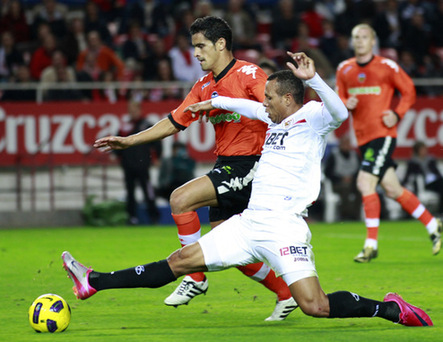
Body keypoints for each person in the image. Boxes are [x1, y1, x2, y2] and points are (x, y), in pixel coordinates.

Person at [63, 52, 433, 328]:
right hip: (250, 224)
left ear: (289, 99)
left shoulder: (314, 118)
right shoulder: (272, 119)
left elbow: (339, 112)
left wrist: (315, 79)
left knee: (314, 305)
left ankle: (390, 309)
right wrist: (215, 102)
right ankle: (93, 282)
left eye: (269, 97)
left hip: (285, 227)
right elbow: (247, 107)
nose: (264, 103)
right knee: (180, 262)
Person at [93, 16, 296, 321]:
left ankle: (196, 278)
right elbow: (174, 121)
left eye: (201, 46)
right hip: (227, 163)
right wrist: (130, 140)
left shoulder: (249, 74)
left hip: (253, 163)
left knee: (180, 198)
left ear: (221, 44)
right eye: (193, 47)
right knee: (230, 247)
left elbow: (280, 108)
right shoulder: (203, 85)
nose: (196, 53)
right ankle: (285, 293)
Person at [335, 23, 441, 263]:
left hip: (383, 134)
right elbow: (338, 93)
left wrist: (398, 113)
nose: (359, 41)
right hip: (362, 139)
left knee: (364, 182)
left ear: (373, 41)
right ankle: (432, 223)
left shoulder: (386, 66)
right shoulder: (345, 69)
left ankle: (371, 245)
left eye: (364, 36)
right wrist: (344, 101)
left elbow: (409, 90)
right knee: (393, 189)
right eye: (355, 37)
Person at [115, 100, 162, 225]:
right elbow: (117, 142)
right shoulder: (125, 127)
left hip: (143, 165)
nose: (132, 113)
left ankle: (153, 215)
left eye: (134, 110)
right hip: (128, 165)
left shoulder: (147, 125)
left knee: (147, 191)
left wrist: (157, 157)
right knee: (130, 193)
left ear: (139, 110)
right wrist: (117, 155)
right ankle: (132, 217)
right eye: (130, 110)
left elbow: (157, 142)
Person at [324, 134, 361, 221]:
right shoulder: (334, 155)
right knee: (345, 189)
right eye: (344, 143)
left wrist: (352, 178)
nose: (346, 146)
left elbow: (360, 171)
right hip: (337, 184)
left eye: (348, 143)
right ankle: (346, 216)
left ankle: (356, 216)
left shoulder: (355, 155)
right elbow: (327, 172)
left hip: (353, 182)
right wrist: (341, 179)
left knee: (360, 191)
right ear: (340, 144)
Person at [402, 141, 443, 214]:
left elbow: (437, 173)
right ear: (417, 150)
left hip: (435, 182)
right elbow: (408, 177)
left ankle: (440, 210)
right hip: (423, 184)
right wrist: (402, 185)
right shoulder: (413, 162)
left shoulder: (431, 159)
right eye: (422, 149)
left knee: (440, 184)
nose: (424, 151)